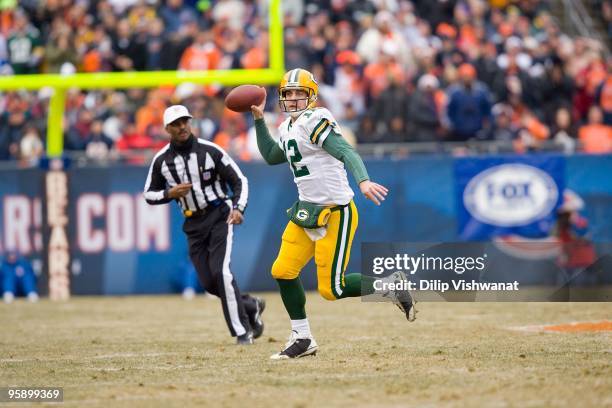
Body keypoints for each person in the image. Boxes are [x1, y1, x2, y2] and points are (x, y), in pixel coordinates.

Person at [251, 69, 415, 360]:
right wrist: (259, 120)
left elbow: (346, 151)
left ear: (310, 96)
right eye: (287, 93)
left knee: (331, 289)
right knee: (282, 271)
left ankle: (390, 285)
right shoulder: (287, 127)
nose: (292, 98)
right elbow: (272, 156)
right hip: (306, 210)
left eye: (298, 92)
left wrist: (363, 180)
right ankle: (302, 338)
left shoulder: (316, 119)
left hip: (336, 212)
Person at [144, 105, 264, 345]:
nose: (182, 127)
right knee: (210, 284)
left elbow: (239, 180)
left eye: (185, 122)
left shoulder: (210, 150)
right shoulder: (162, 160)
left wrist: (239, 209)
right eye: (176, 124)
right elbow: (149, 194)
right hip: (193, 222)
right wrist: (170, 193)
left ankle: (243, 332)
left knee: (222, 273)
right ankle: (250, 305)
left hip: (220, 214)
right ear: (167, 128)